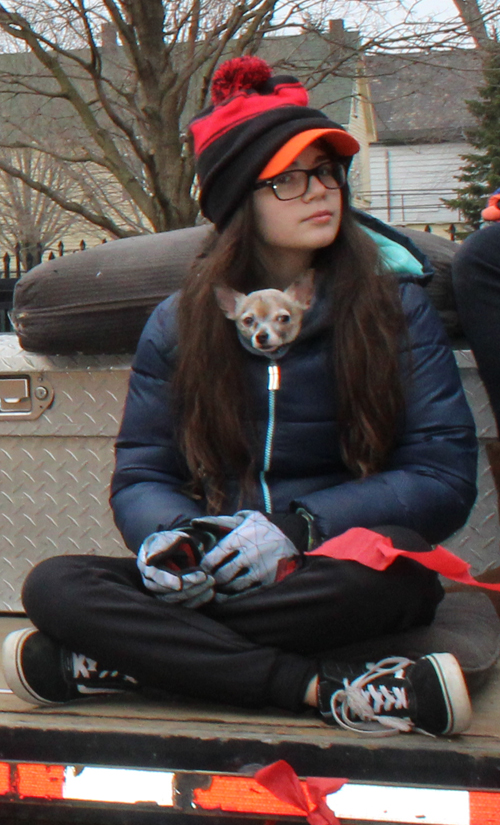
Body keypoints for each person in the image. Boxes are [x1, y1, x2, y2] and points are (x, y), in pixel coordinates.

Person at [2, 57, 479, 737]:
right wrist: (174, 542)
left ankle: (143, 660)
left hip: (330, 566)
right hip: (215, 566)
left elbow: (441, 477)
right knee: (53, 585)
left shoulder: (394, 309)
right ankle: (326, 688)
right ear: (237, 201)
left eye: (326, 172)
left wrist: (294, 529)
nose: (320, 191)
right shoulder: (178, 322)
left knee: (400, 573)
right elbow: (142, 470)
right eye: (289, 178)